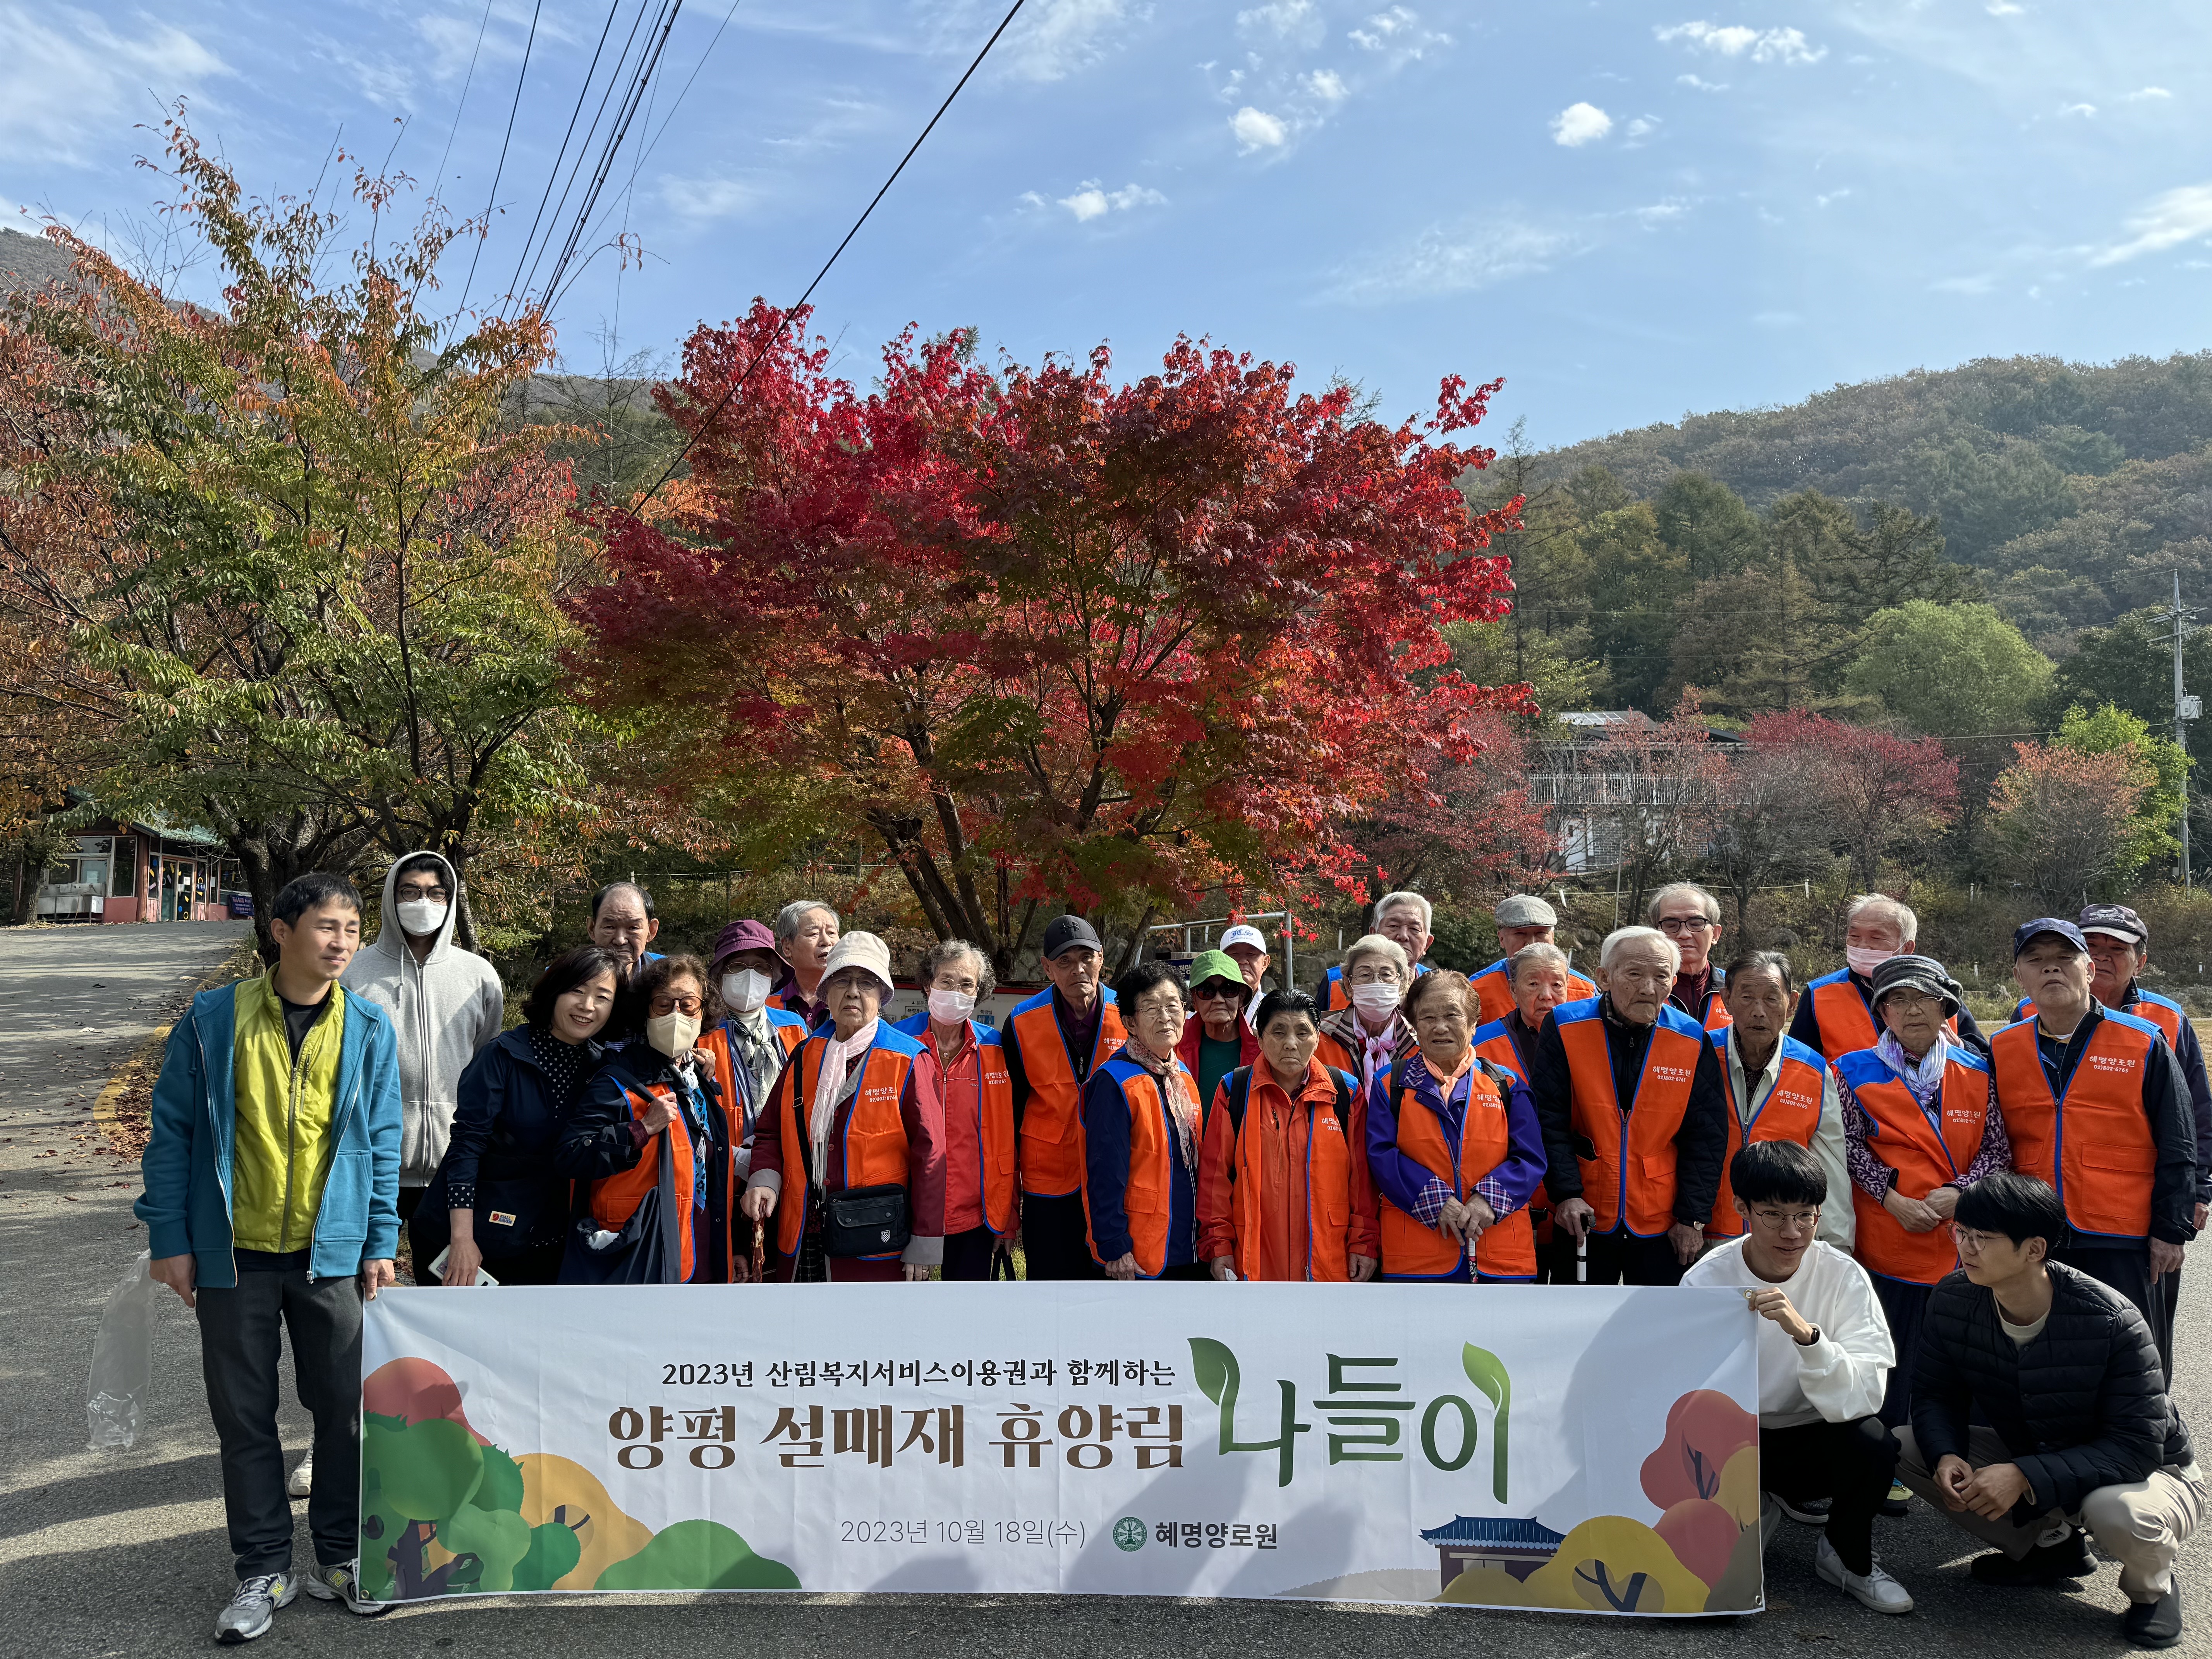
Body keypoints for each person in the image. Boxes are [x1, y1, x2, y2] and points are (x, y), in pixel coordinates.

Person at [137, 872, 401, 1639]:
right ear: (282, 931)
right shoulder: (213, 1017)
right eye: (326, 926)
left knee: (345, 1413)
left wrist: (379, 1239)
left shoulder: (369, 1027)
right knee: (244, 1417)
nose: (341, 942)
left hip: (332, 1256)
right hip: (233, 1255)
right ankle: (262, 1569)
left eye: (351, 928)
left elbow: (383, 1139)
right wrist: (170, 1238)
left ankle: (341, 1557)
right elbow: (172, 1133)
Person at [1899, 1173, 2199, 1649]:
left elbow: (2136, 1448)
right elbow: (1937, 1394)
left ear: (2035, 1249)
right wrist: (1946, 1454)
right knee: (1907, 1446)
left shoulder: (2111, 1319)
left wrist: (2023, 1476)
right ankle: (2051, 1549)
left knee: (2117, 1511)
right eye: (1961, 1233)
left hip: (2153, 1469)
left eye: (1982, 1238)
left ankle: (2153, 1589)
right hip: (2042, 1450)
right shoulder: (1954, 1298)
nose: (1967, 1248)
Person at [1681, 1142, 1910, 1614]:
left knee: (1875, 1444)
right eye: (1773, 1215)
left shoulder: (1843, 1276)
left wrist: (1809, 1338)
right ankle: (1751, 1505)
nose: (1792, 1233)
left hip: (1812, 1434)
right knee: (1705, 1586)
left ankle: (1845, 1555)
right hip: (1735, 1440)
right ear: (1742, 1208)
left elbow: (1867, 1394)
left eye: (1806, 1216)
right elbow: (1679, 1387)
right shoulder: (1706, 1280)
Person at [1991, 917, 2196, 1374]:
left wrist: (2171, 1231)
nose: (2051, 969)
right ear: (2019, 976)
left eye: (2065, 959)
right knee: (2045, 1361)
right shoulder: (2001, 1048)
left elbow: (2179, 1142)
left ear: (2089, 971)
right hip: (2034, 1232)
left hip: (2123, 1235)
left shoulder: (2143, 1042)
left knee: (2132, 1359)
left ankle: (2146, 1425)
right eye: (2036, 960)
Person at [1835, 953, 2010, 1444]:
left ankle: (1965, 1456)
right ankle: (1892, 1460)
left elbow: (1998, 1149)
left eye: (1925, 999)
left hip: (1965, 1241)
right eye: (1899, 1000)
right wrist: (1891, 1199)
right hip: (1890, 1238)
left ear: (1946, 1008)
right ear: (1883, 1012)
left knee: (1967, 1360)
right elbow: (1845, 1146)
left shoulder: (1978, 1069)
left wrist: (1960, 1192)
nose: (1913, 1010)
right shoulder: (1849, 1071)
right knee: (1894, 1358)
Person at [1528, 925, 1730, 1286]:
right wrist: (1567, 1194)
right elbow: (1548, 1118)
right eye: (1634, 974)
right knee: (1579, 1317)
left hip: (1662, 1218)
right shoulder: (1564, 1026)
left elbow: (1706, 1136)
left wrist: (1692, 1217)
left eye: (1661, 977)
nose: (1649, 988)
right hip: (1583, 1213)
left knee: (1658, 1321)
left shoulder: (1690, 1037)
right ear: (1604, 977)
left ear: (1673, 982)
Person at [742, 932, 943, 1281]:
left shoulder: (908, 1059)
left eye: (867, 983)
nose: (853, 992)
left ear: (882, 995)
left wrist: (924, 1242)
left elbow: (930, 1155)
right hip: (802, 1234)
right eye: (842, 981)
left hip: (876, 1241)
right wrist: (765, 1180)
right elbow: (771, 1132)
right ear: (826, 993)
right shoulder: (804, 1056)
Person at [429, 946, 619, 1288]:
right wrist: (462, 1239)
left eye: (602, 997)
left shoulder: (602, 1069)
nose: (588, 1006)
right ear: (554, 991)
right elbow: (466, 1147)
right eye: (577, 991)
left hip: (555, 1243)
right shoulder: (502, 1056)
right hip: (480, 1241)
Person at [2077, 903, 2212, 1380]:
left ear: (2141, 961)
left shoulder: (2167, 1019)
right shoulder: (2031, 1011)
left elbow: (2197, 1114)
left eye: (2117, 949)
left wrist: (2196, 1193)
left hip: (2142, 1211)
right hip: (2057, 1207)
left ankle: (2150, 1422)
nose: (2102, 957)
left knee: (2141, 1338)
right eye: (2092, 946)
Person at [558, 955, 750, 1284]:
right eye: (663, 1004)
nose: (676, 1014)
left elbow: (712, 1169)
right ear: (645, 1011)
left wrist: (733, 1246)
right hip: (640, 1253)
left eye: (688, 1005)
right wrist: (641, 1129)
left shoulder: (701, 1079)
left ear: (703, 1012)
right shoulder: (617, 1080)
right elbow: (570, 1155)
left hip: (702, 1241)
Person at [1369, 970, 1547, 1282]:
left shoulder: (1506, 1084)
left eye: (1452, 1015)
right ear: (1414, 1026)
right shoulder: (1390, 1084)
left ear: (1474, 1024)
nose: (1440, 1027)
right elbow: (1381, 1156)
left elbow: (1531, 1158)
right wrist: (1434, 1199)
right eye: (1428, 1018)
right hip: (1418, 1257)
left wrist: (1489, 1198)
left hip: (1502, 1255)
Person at [1198, 989, 1376, 1281]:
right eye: (1278, 1032)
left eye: (1303, 1032)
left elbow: (1362, 1181)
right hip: (1255, 1258)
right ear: (1260, 1038)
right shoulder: (1235, 1090)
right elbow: (1214, 1178)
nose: (1291, 1044)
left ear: (1317, 1038)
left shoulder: (1345, 1092)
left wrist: (1364, 1243)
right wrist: (1218, 1246)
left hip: (1329, 1258)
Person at [1003, 915, 1125, 1280]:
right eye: (1065, 962)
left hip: (1114, 1176)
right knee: (1050, 1289)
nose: (1078, 970)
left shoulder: (1130, 1014)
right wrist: (1008, 1201)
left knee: (1111, 1286)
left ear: (1101, 958)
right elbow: (1010, 1114)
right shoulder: (1022, 1022)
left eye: (1087, 958)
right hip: (1048, 1181)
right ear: (1047, 968)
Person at [1707, 951, 1853, 1253]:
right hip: (1707, 1232)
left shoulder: (1813, 1070)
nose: (1759, 1012)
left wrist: (1836, 1245)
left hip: (1784, 1238)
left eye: (1772, 999)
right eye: (1747, 997)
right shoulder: (1702, 1054)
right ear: (1727, 999)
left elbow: (1831, 1163)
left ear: (1792, 1004)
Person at [894, 939, 1016, 1281]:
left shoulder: (996, 1048)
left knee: (966, 1312)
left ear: (979, 993)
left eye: (966, 985)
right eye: (946, 981)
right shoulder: (897, 1044)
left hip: (975, 1216)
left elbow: (1007, 1139)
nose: (955, 992)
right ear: (927, 985)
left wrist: (1007, 1218)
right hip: (907, 1211)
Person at [1082, 960, 1207, 1279]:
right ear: (1130, 1022)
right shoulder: (1114, 1081)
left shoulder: (1183, 1078)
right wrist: (1114, 1245)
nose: (1165, 1017)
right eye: (1151, 1009)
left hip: (1187, 1246)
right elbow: (1104, 1172)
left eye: (1173, 1006)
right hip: (1137, 1252)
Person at [701, 920, 809, 1276]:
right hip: (722, 1181)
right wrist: (735, 1157)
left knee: (783, 1272)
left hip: (787, 1174)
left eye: (761, 967)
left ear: (775, 975)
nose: (750, 976)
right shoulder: (700, 1032)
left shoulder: (794, 1028)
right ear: (719, 974)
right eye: (737, 966)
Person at [1472, 941, 1578, 1283]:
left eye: (1557, 984)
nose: (1547, 995)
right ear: (1512, 989)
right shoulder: (1479, 1046)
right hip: (1506, 1199)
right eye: (1533, 984)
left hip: (1574, 1200)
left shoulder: (1587, 1039)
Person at [1791, 894, 1980, 1062]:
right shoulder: (1819, 994)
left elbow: (1984, 1059)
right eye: (1854, 936)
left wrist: (1956, 1044)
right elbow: (1797, 1067)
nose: (1863, 946)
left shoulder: (1941, 990)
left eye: (1877, 938)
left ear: (1907, 948)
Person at [1316, 933, 1417, 1103]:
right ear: (1349, 986)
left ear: (1401, 984)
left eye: (1386, 975)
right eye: (1365, 975)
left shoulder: (1418, 1042)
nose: (1377, 983)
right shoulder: (1319, 1039)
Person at [1470, 894, 1593, 1026]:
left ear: (1552, 937)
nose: (1531, 943)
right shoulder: (1476, 991)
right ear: (1502, 939)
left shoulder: (1586, 990)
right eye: (1520, 934)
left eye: (1540, 933)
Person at [1176, 947, 1257, 1128]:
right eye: (1207, 991)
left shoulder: (1263, 1049)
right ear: (1194, 1000)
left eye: (1229, 990)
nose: (1219, 999)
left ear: (1242, 997)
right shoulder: (1174, 1047)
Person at [1321, 890, 1435, 1011]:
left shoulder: (1436, 986)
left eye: (1414, 929)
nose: (1403, 936)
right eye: (1394, 926)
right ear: (1374, 933)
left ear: (1427, 944)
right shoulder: (1335, 981)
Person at [1649, 881, 1730, 1030]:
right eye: (1671, 925)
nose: (1684, 934)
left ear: (1715, 934)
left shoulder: (1736, 988)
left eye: (1696, 924)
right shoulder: (1640, 990)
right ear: (1656, 934)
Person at [770, 898, 840, 1026]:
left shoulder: (853, 997)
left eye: (831, 933)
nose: (826, 942)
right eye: (814, 934)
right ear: (787, 947)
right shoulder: (766, 1002)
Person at [586, 880, 661, 979]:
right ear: (592, 929)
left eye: (633, 928)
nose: (620, 941)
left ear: (651, 931)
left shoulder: (668, 977)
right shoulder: (571, 979)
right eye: (610, 927)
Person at [1218, 923, 1274, 1030]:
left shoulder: (1275, 1010)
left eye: (1251, 954)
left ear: (1265, 963)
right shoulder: (1204, 1008)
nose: (1243, 961)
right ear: (1221, 961)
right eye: (1234, 954)